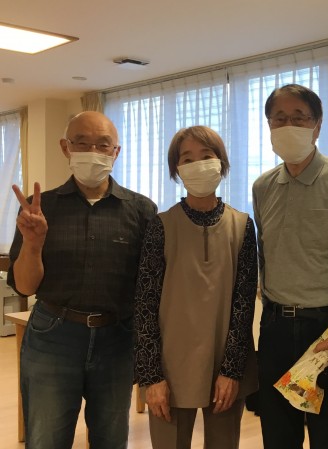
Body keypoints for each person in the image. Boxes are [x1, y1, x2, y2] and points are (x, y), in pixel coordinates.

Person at [7, 111, 157, 449]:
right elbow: (25, 287)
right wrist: (33, 244)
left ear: (116, 152)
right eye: (82, 143)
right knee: (46, 439)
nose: (93, 152)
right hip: (53, 336)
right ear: (66, 148)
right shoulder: (39, 208)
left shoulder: (141, 210)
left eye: (103, 145)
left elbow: (150, 288)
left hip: (117, 338)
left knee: (111, 439)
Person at [252, 84, 328, 449]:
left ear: (317, 125)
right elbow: (264, 256)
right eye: (279, 119)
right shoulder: (262, 186)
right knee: (277, 438)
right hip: (274, 327)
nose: (288, 126)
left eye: (299, 117)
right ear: (269, 126)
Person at [134, 126, 258, 449]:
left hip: (225, 365)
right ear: (176, 168)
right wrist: (152, 377)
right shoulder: (161, 226)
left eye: (206, 156)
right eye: (187, 159)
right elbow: (145, 305)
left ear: (222, 162)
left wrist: (232, 371)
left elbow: (244, 304)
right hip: (169, 369)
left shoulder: (242, 226)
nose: (198, 164)